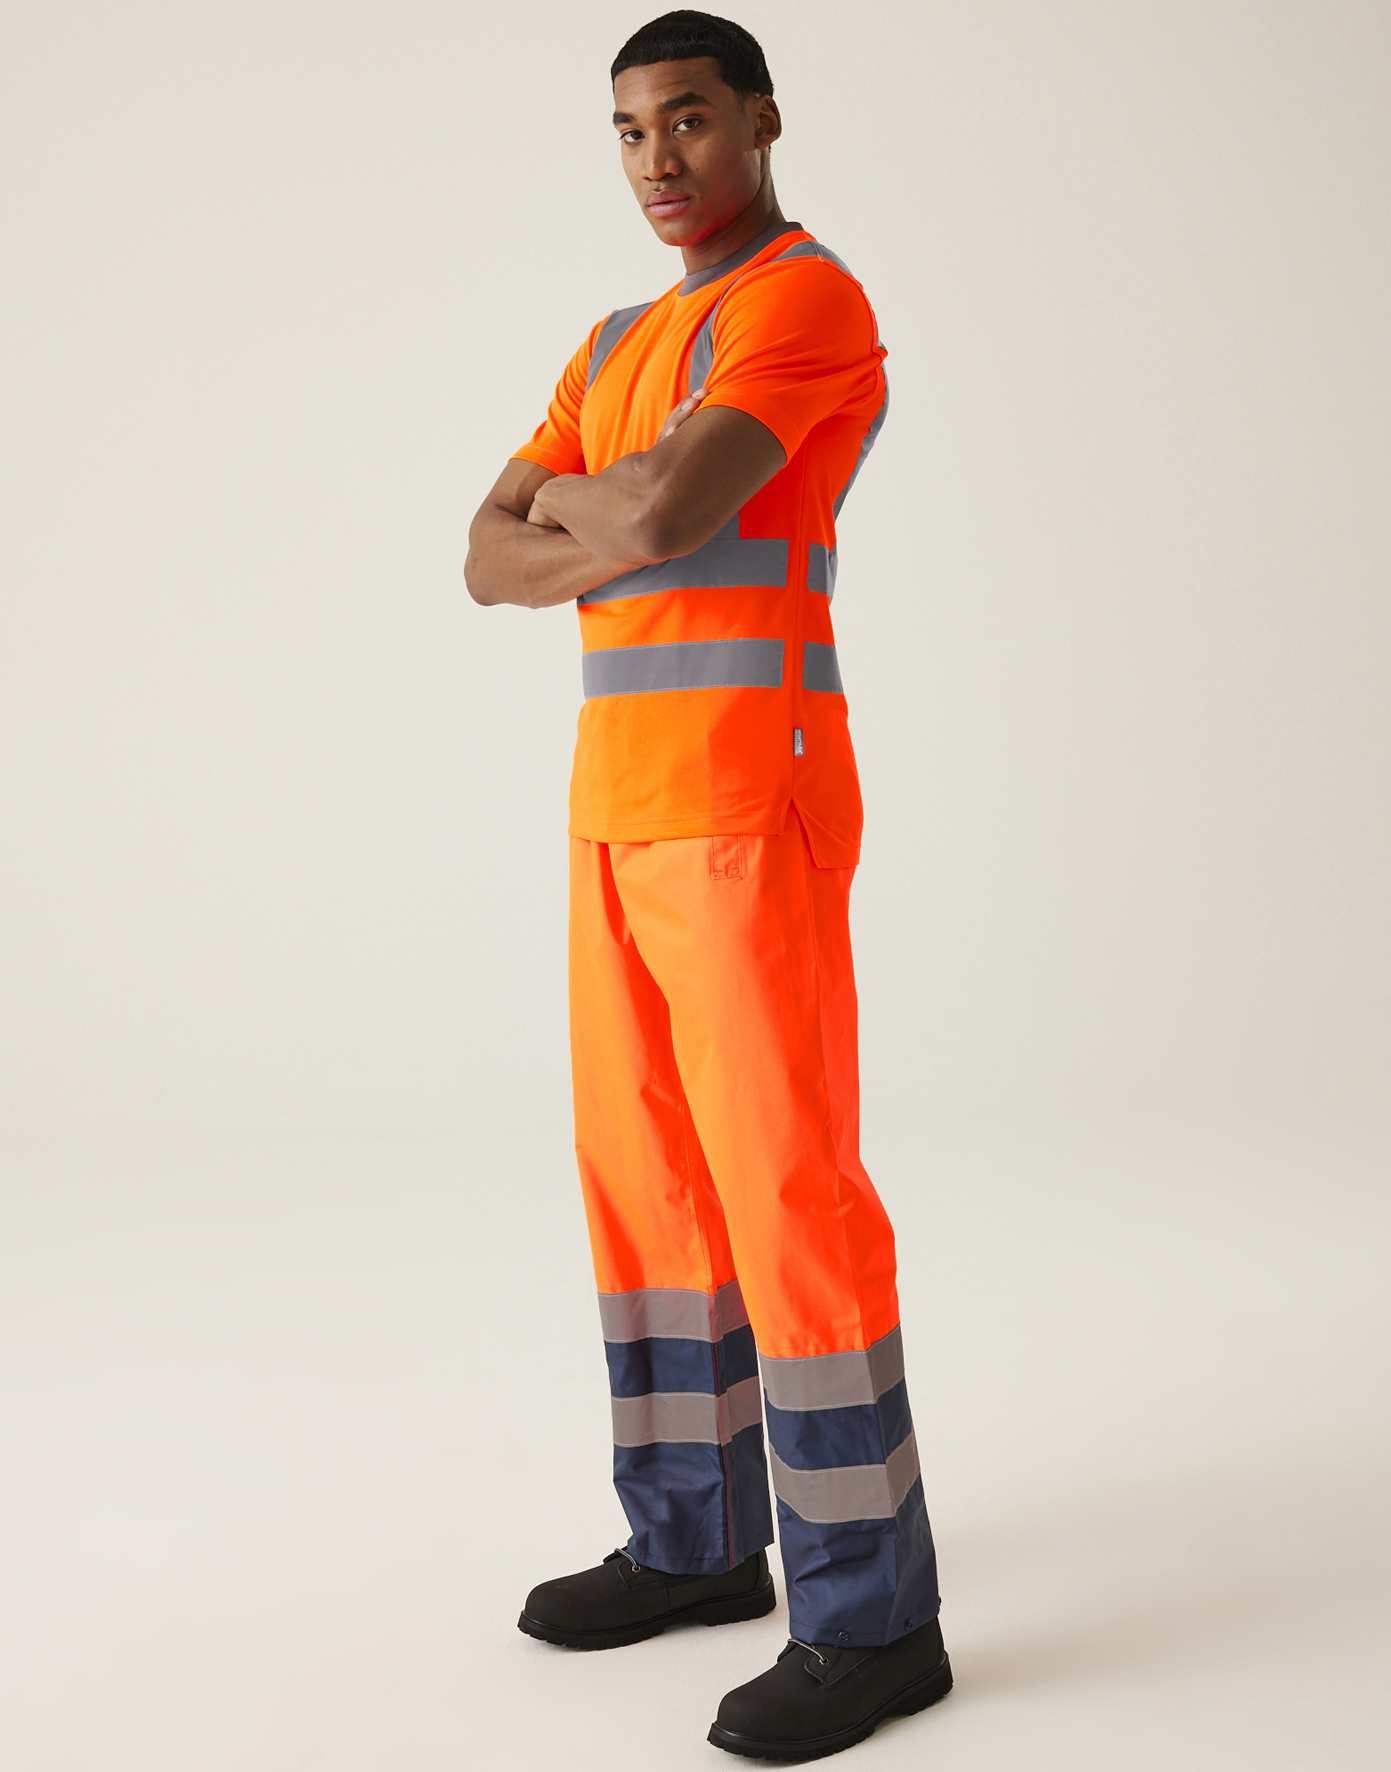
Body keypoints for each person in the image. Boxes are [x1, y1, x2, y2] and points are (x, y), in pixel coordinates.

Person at [465, 10, 951, 1758]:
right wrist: (605, 512)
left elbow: (667, 518)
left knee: (785, 1197)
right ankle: (695, 1547)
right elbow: (479, 556)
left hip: (752, 807)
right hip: (614, 811)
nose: (657, 159)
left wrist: (589, 515)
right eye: (627, 131)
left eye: (686, 119)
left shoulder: (801, 302)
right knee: (649, 1194)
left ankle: (875, 1620)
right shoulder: (616, 339)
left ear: (760, 120)